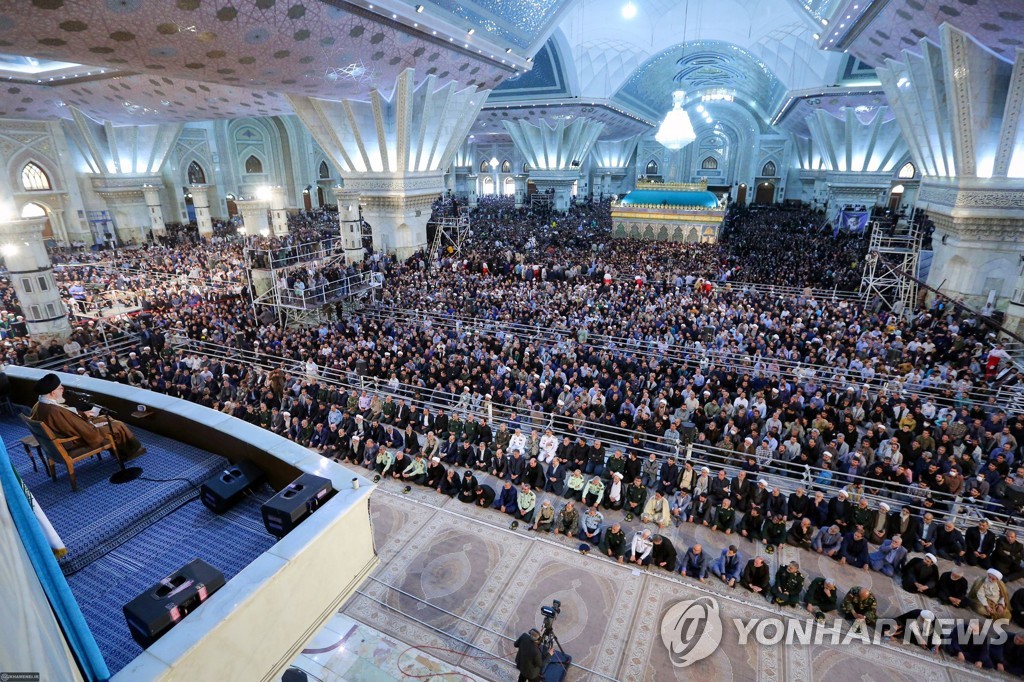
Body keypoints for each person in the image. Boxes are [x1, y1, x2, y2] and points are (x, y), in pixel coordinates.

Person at [30, 372, 146, 459]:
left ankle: (119, 451)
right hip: (73, 440)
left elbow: (67, 421)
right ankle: (130, 452)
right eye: (61, 388)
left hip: (61, 437)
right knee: (117, 425)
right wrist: (92, 424)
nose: (63, 390)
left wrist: (83, 415)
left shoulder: (39, 404)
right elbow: (76, 428)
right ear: (52, 392)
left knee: (106, 418)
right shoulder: (53, 410)